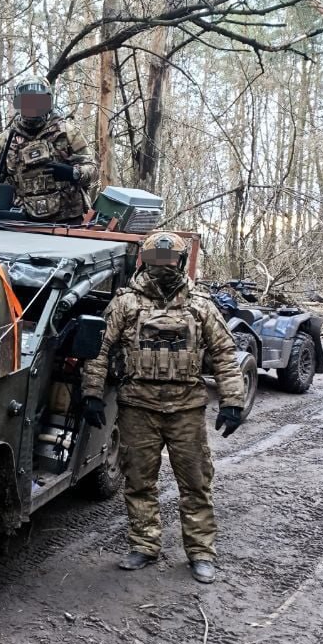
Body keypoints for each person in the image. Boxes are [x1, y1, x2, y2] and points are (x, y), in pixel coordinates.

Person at [80, 231, 244, 584]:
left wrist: (233, 400)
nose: (163, 269)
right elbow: (99, 351)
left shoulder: (199, 304)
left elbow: (225, 355)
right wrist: (92, 392)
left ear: (181, 263)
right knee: (139, 482)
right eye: (158, 263)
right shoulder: (125, 303)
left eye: (168, 264)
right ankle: (144, 545)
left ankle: (200, 552)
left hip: (186, 408)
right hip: (138, 405)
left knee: (196, 484)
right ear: (144, 263)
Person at [0, 79, 96, 224]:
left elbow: (92, 170)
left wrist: (72, 173)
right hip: (23, 220)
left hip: (68, 219)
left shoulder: (68, 132)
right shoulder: (5, 140)